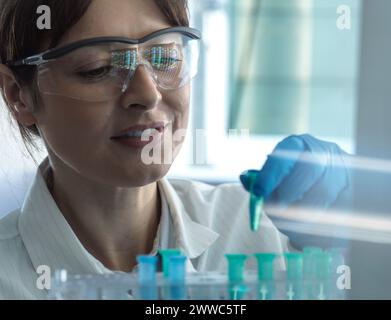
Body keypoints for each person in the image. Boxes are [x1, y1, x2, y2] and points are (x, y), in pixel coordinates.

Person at [0, 0, 350, 299]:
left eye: (165, 58)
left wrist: (360, 241)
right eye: (99, 68)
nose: (148, 93)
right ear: (19, 94)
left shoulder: (263, 234)